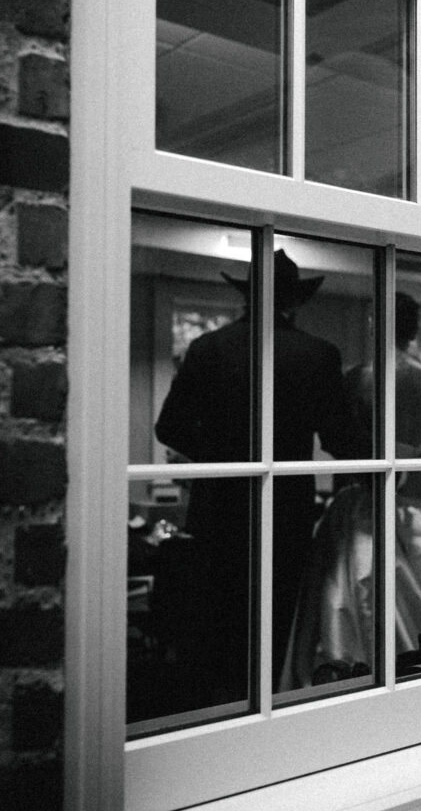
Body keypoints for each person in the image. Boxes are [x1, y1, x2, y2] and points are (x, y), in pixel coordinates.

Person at [154, 249, 370, 705]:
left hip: (216, 509)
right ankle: (269, 717)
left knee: (217, 626)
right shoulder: (317, 356)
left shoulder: (207, 349)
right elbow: (341, 439)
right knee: (275, 623)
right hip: (285, 512)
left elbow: (168, 427)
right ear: (295, 300)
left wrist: (221, 455)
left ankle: (212, 721)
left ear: (247, 296)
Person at [280, 292, 421, 691]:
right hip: (419, 504)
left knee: (352, 597)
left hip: (368, 504)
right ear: (413, 330)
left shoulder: (356, 376)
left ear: (375, 323)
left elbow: (342, 444)